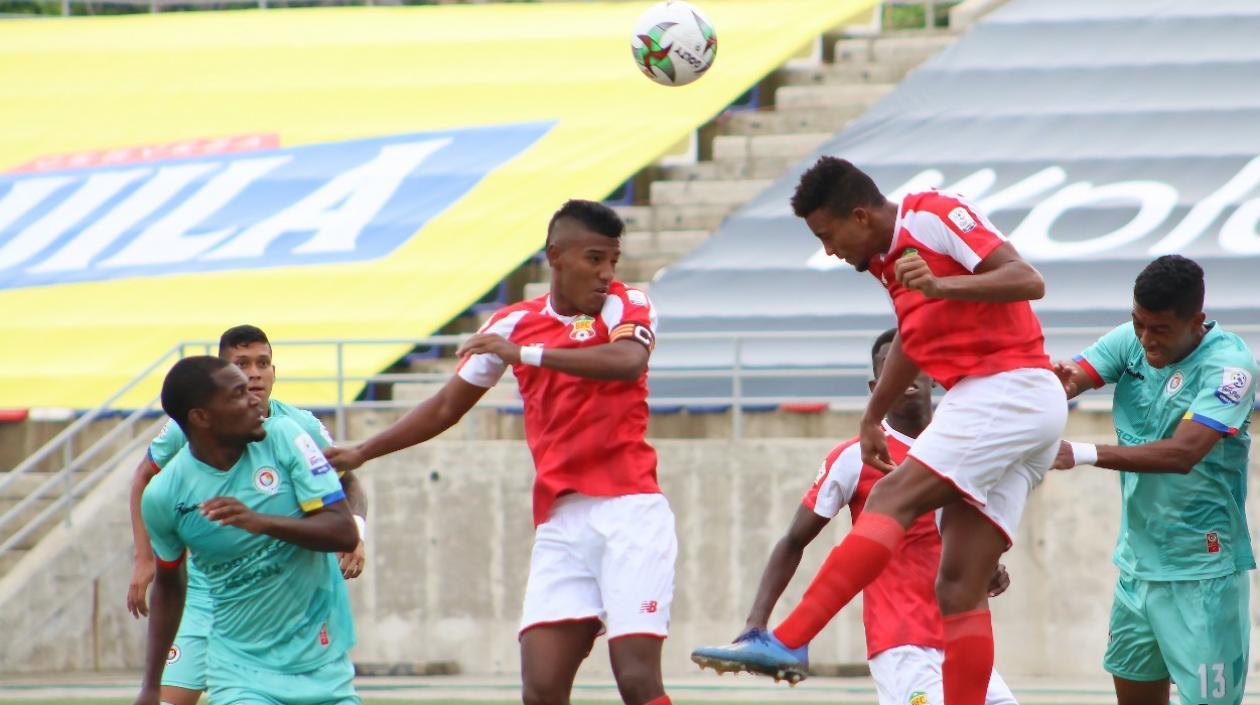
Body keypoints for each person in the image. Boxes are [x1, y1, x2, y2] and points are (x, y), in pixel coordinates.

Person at [691, 157, 1067, 704]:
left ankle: (790, 640)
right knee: (959, 586)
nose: (828, 250)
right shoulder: (887, 264)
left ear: (860, 216)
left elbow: (1028, 280)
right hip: (1017, 405)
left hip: (1005, 387)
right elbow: (914, 338)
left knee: (891, 497)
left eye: (827, 235)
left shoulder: (932, 214)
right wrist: (872, 416)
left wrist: (940, 285)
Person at [325, 199, 676, 705]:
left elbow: (627, 361)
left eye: (613, 261)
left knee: (637, 680)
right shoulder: (512, 323)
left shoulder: (627, 305)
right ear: (555, 256)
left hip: (630, 514)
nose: (606, 273)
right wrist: (363, 450)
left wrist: (526, 355)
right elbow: (446, 406)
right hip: (561, 522)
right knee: (541, 688)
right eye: (595, 259)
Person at [695, 328, 1019, 705]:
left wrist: (987, 568)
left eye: (914, 362)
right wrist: (756, 624)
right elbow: (793, 541)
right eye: (891, 366)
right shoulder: (855, 457)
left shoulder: (961, 450)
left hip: (961, 633)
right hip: (903, 642)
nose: (906, 372)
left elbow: (960, 537)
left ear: (933, 373)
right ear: (875, 385)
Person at [126, 324, 367, 705]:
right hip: (216, 617)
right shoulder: (170, 479)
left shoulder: (292, 431)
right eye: (241, 370)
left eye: (263, 363)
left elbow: (346, 499)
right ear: (202, 416)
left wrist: (354, 531)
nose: (254, 380)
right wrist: (149, 686)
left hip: (305, 631)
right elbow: (169, 583)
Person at [1053, 255, 1256, 705]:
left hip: (1202, 572)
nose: (1146, 338)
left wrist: (1082, 453)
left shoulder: (1231, 368)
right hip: (1136, 566)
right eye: (1138, 323)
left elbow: (1184, 453)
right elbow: (1070, 380)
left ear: (1196, 322)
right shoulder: (1131, 339)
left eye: (1160, 329)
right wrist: (1046, 385)